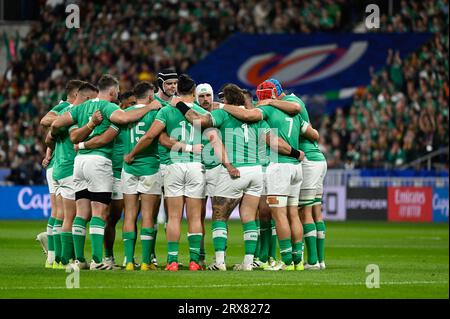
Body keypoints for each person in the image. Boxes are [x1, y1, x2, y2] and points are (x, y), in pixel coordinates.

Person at [51, 74, 158, 270]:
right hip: (99, 162)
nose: (118, 94)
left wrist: (86, 129)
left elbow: (57, 125)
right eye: (117, 91)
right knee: (100, 212)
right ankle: (98, 260)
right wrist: (150, 107)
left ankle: (79, 260)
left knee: (82, 212)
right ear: (111, 91)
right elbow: (125, 117)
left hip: (79, 163)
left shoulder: (80, 107)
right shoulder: (109, 107)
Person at [268, 78, 327, 270]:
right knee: (314, 211)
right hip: (315, 158)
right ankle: (318, 260)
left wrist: (269, 103)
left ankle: (310, 261)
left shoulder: (293, 103)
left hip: (306, 158)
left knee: (304, 211)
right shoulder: (293, 103)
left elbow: (310, 131)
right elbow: (313, 133)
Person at [37, 79, 84, 269]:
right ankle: (61, 258)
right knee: (66, 214)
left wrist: (48, 151)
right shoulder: (65, 107)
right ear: (75, 95)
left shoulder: (68, 109)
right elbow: (45, 122)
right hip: (63, 166)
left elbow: (50, 136)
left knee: (58, 213)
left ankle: (52, 258)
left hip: (55, 166)